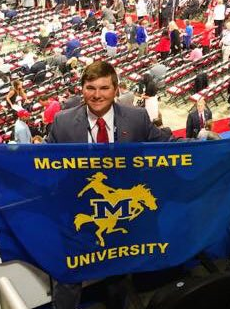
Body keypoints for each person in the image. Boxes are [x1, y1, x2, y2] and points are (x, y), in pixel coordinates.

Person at [47, 60, 173, 309]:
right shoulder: (62, 122)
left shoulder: (137, 119)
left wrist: (206, 141)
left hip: (120, 210)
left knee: (118, 274)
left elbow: (167, 146)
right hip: (79, 210)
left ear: (116, 90)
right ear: (81, 89)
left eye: (104, 88)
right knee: (68, 276)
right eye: (90, 87)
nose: (96, 95)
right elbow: (42, 163)